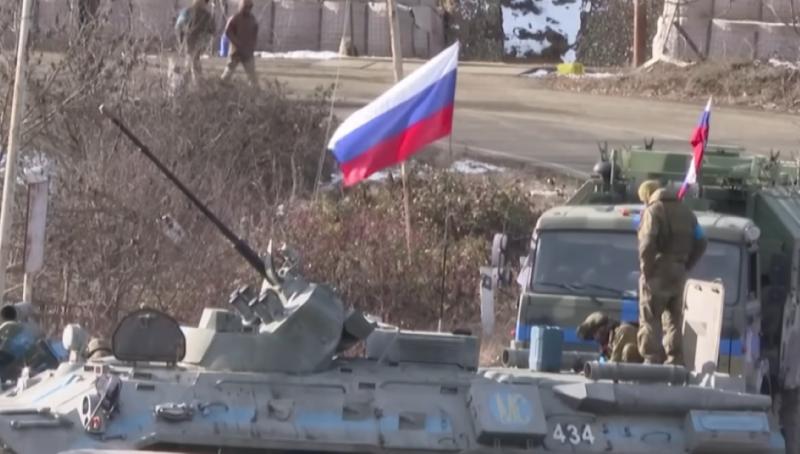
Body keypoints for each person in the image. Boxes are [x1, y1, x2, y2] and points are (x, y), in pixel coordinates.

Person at [636, 179, 707, 365]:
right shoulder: (687, 213)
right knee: (674, 320)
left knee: (650, 318)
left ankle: (651, 361)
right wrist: (686, 265)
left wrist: (646, 270)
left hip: (658, 272)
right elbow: (702, 241)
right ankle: (674, 360)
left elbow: (647, 244)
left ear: (647, 196)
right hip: (679, 272)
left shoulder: (653, 211)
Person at [220, 0, 260, 88]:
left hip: (247, 52)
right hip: (236, 51)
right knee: (228, 72)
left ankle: (255, 91)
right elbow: (228, 32)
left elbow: (255, 32)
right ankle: (220, 87)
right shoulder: (235, 18)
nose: (247, 9)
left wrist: (252, 45)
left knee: (252, 75)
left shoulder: (252, 19)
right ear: (241, 6)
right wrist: (237, 42)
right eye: (245, 7)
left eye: (250, 7)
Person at [175, 0, 216, 84]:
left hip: (192, 41)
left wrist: (181, 40)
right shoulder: (203, 14)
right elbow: (212, 30)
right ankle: (195, 83)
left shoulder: (188, 12)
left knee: (192, 61)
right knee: (193, 61)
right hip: (193, 41)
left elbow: (178, 26)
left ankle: (186, 83)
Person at [577, 311, 642, 363]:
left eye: (594, 334)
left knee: (628, 350)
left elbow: (615, 360)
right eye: (592, 337)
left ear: (602, 328)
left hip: (644, 366)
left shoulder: (622, 332)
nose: (595, 339)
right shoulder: (607, 344)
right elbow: (604, 361)